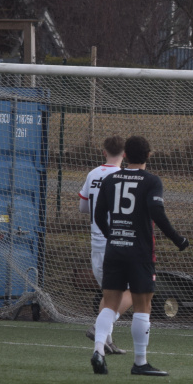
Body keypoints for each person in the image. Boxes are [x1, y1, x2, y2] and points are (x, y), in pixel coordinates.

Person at [90, 135, 188, 376]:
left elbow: (98, 215)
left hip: (114, 250)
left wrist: (112, 236)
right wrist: (178, 239)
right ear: (148, 155)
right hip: (139, 252)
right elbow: (156, 212)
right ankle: (140, 362)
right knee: (143, 305)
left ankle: (99, 350)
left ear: (125, 155)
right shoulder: (151, 181)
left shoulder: (110, 179)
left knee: (109, 304)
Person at [79, 135, 128, 355]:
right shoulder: (123, 176)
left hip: (97, 243)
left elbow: (83, 207)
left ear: (104, 152)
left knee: (109, 294)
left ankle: (106, 341)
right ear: (124, 154)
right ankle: (99, 327)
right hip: (118, 242)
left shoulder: (93, 174)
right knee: (132, 290)